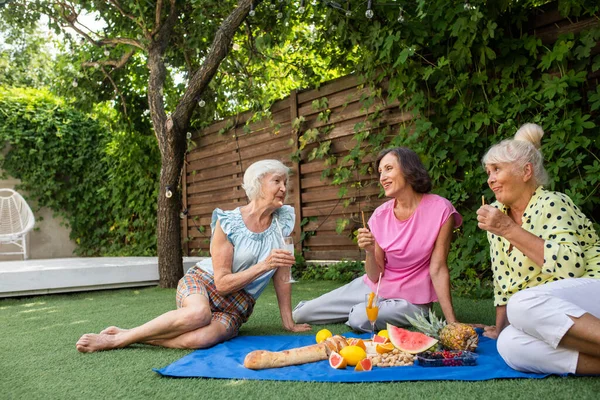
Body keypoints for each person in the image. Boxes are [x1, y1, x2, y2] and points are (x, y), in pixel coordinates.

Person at [76, 160, 311, 352]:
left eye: (285, 182)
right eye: (277, 181)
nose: (284, 188)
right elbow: (222, 283)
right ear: (258, 185)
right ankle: (116, 340)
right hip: (204, 283)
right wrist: (263, 265)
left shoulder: (283, 220)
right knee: (198, 314)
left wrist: (288, 322)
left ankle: (129, 336)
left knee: (199, 340)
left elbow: (282, 274)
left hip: (237, 305)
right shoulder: (228, 223)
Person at [293, 147, 462, 332]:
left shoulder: (441, 210)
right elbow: (375, 275)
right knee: (301, 314)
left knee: (360, 317)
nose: (382, 177)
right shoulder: (379, 216)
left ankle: (359, 312)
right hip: (376, 287)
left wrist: (452, 322)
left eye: (389, 168)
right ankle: (359, 310)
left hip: (413, 300)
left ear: (409, 170)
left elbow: (438, 269)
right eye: (380, 172)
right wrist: (369, 251)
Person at [476, 123, 600, 374]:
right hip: (549, 309)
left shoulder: (553, 202)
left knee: (521, 305)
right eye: (488, 172)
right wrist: (500, 330)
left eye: (496, 170)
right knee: (510, 344)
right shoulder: (498, 216)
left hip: (591, 290)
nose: (490, 179)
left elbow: (571, 268)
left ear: (526, 172)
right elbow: (503, 283)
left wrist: (508, 229)